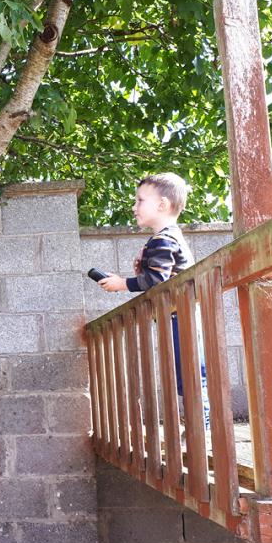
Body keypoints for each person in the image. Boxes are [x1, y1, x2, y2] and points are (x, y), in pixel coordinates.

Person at [98, 173, 209, 428]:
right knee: (187, 374)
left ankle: (204, 430)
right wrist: (143, 270)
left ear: (162, 205)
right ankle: (199, 428)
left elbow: (157, 280)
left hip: (181, 315)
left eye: (140, 201)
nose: (134, 207)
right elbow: (161, 276)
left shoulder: (163, 238)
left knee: (190, 375)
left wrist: (123, 283)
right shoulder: (165, 237)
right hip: (179, 315)